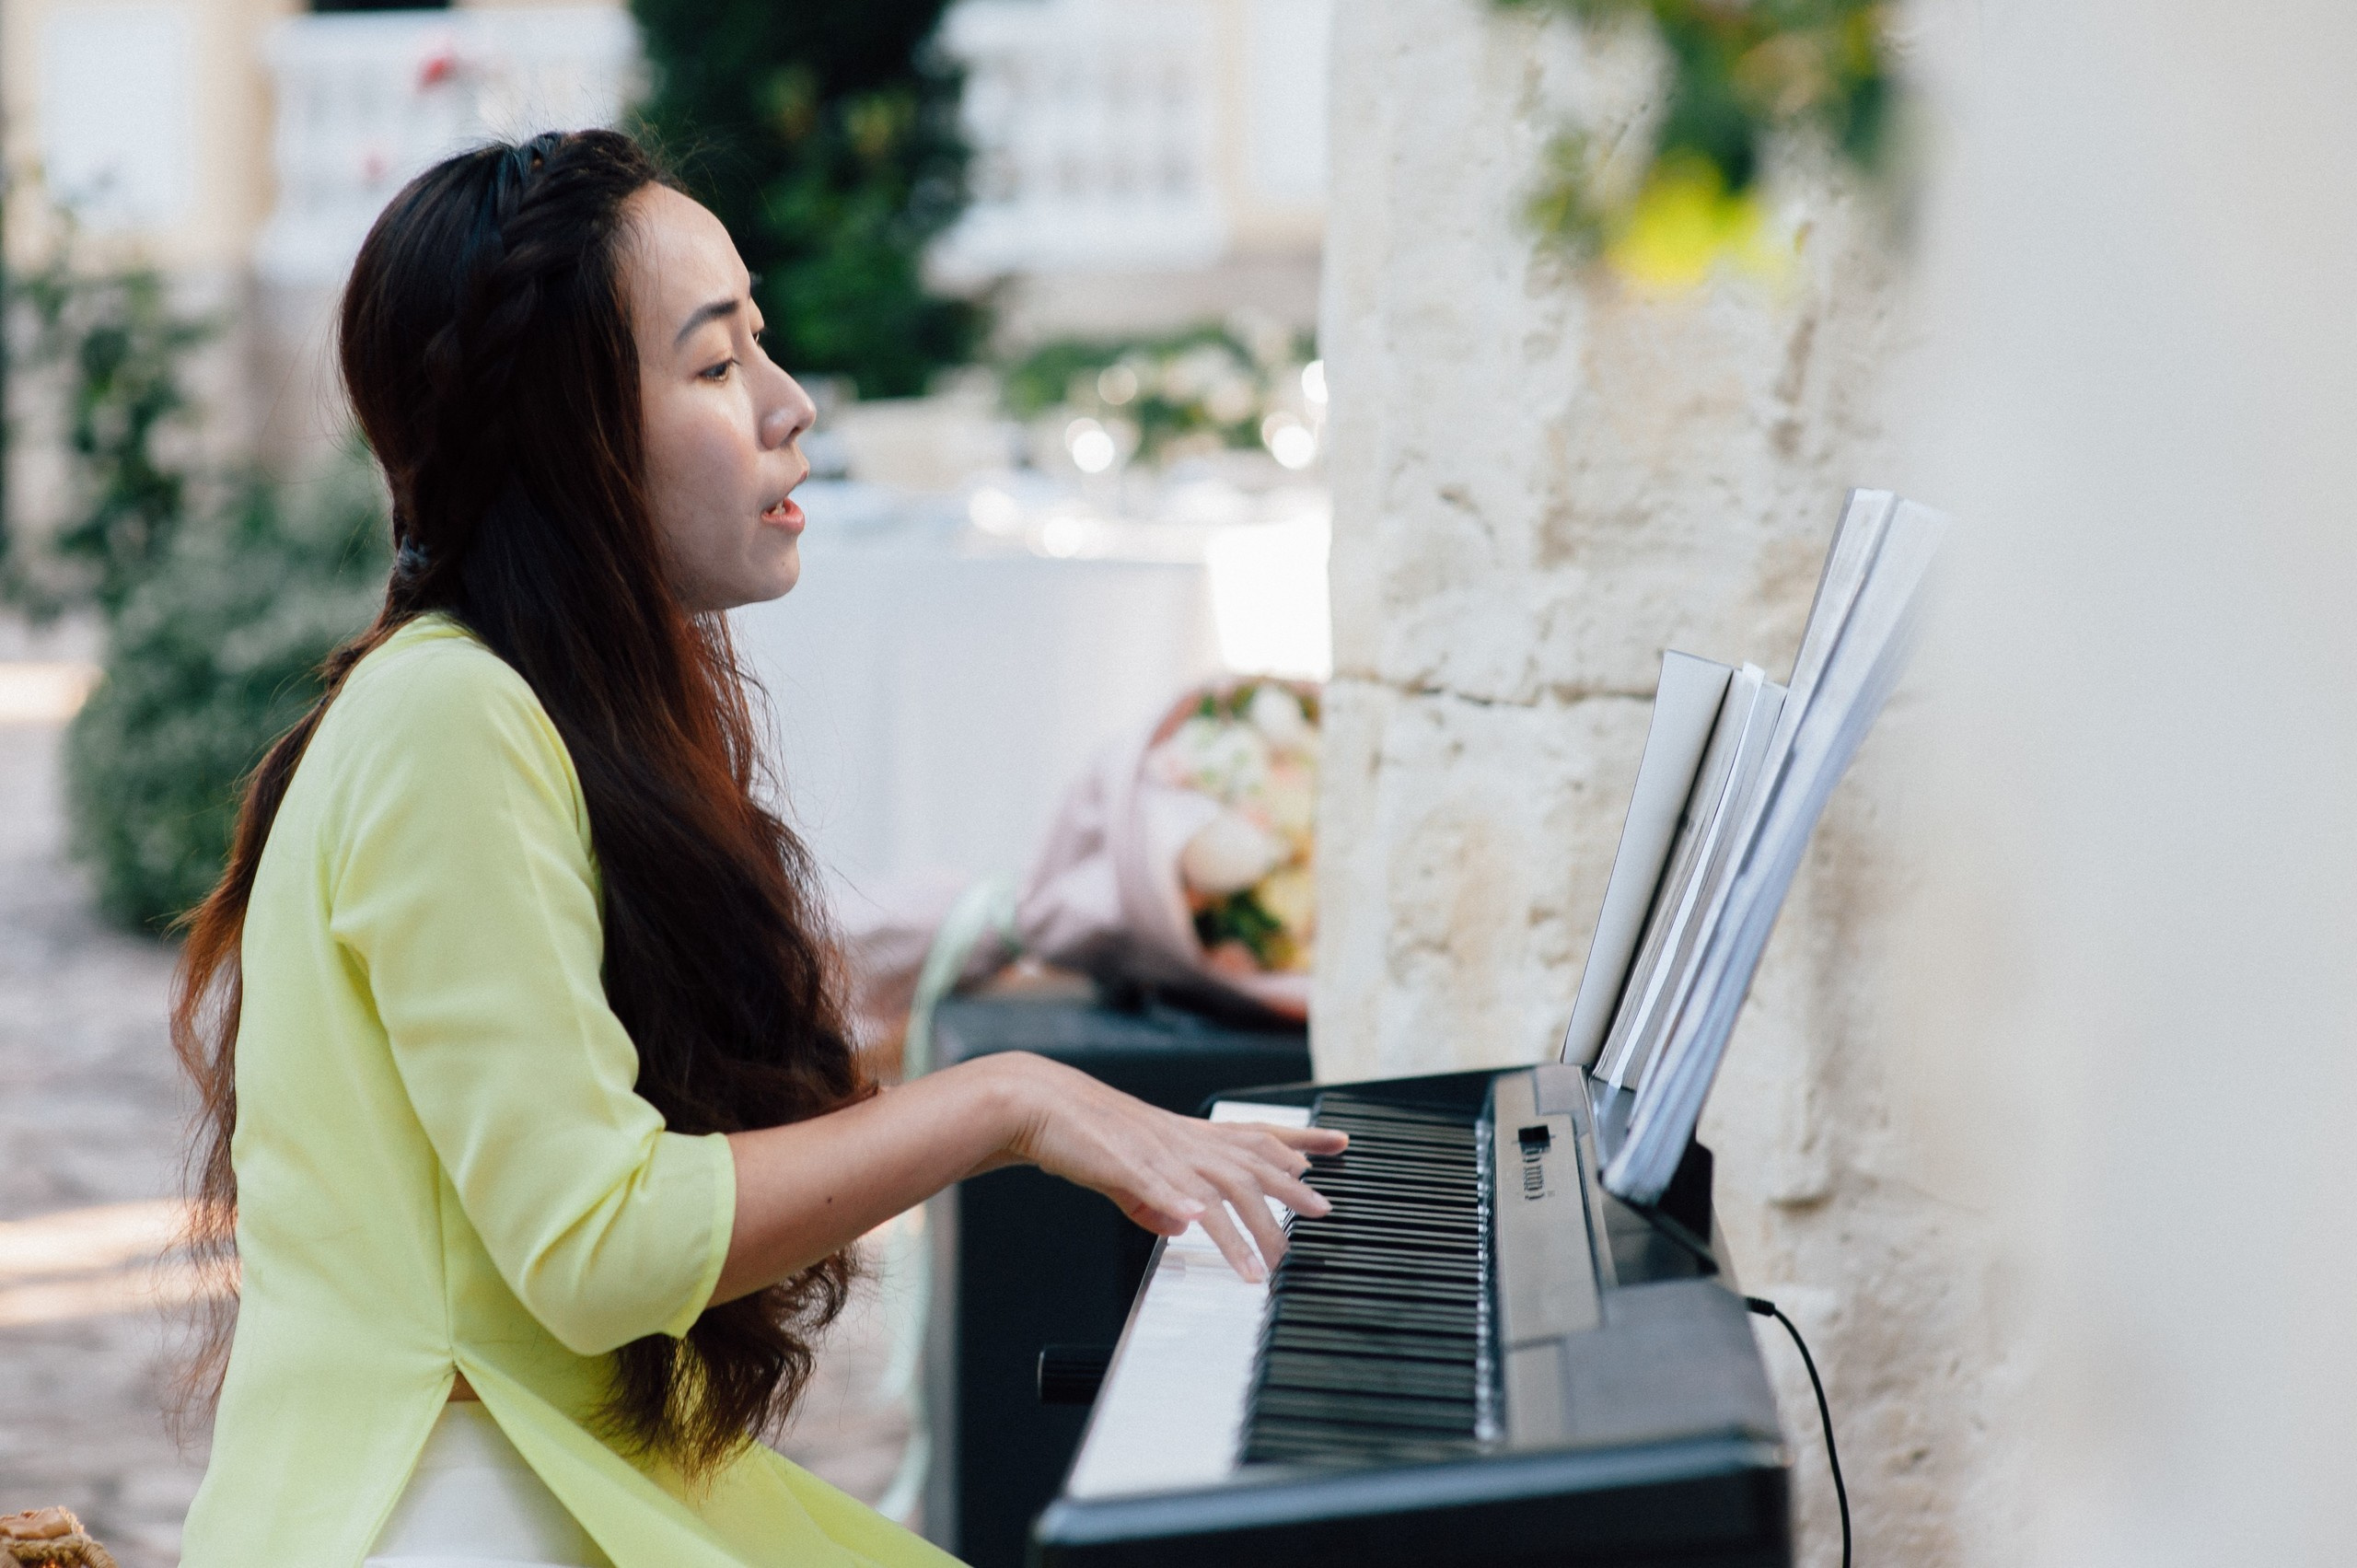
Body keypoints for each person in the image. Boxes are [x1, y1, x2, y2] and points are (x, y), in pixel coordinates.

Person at [169, 130, 1345, 1568]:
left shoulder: (549, 704)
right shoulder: (446, 718)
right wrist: (1010, 1103)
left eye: (760, 348)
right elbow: (596, 1247)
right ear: (564, 435)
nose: (791, 408)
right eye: (717, 367)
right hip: (449, 1499)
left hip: (550, 1465)